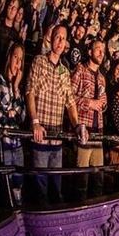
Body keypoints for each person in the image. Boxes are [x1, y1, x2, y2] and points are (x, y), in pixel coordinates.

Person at [26, 24, 87, 204]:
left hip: (57, 138)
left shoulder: (64, 71)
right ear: (51, 38)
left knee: (56, 187)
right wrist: (35, 122)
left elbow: (70, 102)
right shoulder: (39, 61)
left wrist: (77, 125)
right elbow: (30, 91)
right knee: (40, 188)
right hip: (41, 135)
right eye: (58, 37)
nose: (60, 42)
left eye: (63, 38)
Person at [70, 39, 107, 201]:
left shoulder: (102, 78)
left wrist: (102, 105)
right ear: (90, 52)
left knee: (98, 179)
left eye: (103, 51)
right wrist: (89, 103)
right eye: (98, 49)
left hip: (97, 132)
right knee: (81, 180)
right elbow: (69, 96)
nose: (101, 53)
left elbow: (103, 104)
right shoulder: (80, 70)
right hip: (83, 130)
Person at [0, 43, 26, 205]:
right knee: (6, 182)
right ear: (9, 57)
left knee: (18, 181)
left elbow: (21, 116)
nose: (18, 62)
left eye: (21, 59)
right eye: (16, 57)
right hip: (3, 142)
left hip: (17, 142)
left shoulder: (17, 87)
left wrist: (16, 87)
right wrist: (8, 114)